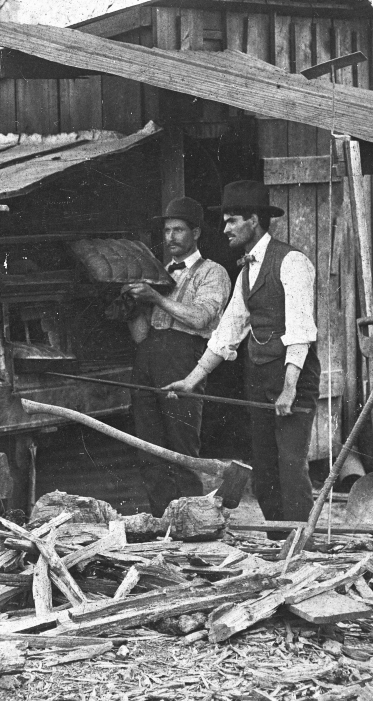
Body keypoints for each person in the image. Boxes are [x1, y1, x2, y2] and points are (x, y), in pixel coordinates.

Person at [165, 181, 320, 523]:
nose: (225, 229)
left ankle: (302, 545)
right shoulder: (247, 269)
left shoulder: (292, 261)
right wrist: (191, 380)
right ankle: (278, 539)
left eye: (232, 220)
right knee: (264, 470)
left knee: (291, 467)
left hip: (291, 378)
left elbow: (300, 329)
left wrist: (290, 387)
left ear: (253, 220)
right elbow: (229, 330)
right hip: (260, 377)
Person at [122, 197, 231, 515]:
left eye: (179, 230)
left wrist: (156, 297)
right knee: (148, 445)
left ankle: (193, 519)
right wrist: (132, 307)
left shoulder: (213, 273)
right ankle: (161, 519)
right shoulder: (156, 272)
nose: (171, 237)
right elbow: (141, 335)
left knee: (182, 445)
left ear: (196, 233)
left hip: (185, 359)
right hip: (148, 356)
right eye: (167, 230)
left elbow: (201, 319)